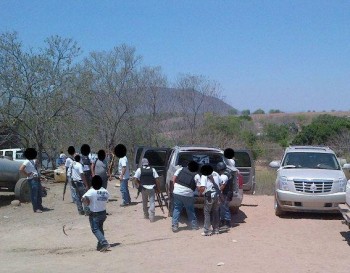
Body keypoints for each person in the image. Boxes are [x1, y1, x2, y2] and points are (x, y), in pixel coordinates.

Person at [82, 175, 110, 252]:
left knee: (95, 229)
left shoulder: (91, 191)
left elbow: (83, 198)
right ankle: (100, 245)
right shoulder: (105, 191)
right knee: (100, 228)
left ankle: (104, 243)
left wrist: (87, 204)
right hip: (103, 212)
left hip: (95, 213)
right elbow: (107, 199)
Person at [171, 160, 201, 232]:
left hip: (176, 192)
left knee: (177, 208)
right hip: (187, 194)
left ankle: (175, 226)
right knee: (190, 209)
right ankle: (194, 226)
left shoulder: (180, 169)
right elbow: (199, 187)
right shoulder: (196, 175)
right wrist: (200, 194)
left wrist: (176, 187)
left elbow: (173, 179)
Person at [133, 158, 160, 222]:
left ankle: (146, 215)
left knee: (144, 202)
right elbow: (157, 179)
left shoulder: (139, 170)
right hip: (152, 188)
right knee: (152, 203)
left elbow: (134, 179)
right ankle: (152, 217)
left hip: (143, 188)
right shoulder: (152, 169)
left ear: (142, 163)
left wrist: (139, 185)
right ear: (148, 163)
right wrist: (158, 189)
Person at [19, 148, 45, 213]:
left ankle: (40, 206)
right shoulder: (27, 161)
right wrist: (27, 174)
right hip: (32, 179)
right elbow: (21, 169)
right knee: (34, 194)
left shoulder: (33, 161)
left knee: (39, 194)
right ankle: (35, 208)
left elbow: (36, 168)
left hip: (37, 179)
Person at [199, 164, 222, 236]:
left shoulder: (204, 175)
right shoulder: (216, 173)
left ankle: (207, 231)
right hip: (217, 196)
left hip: (209, 196)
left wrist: (200, 193)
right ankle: (216, 229)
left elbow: (203, 187)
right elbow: (221, 183)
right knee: (216, 212)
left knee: (207, 212)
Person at [216, 161, 234, 230]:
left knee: (225, 208)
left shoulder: (224, 176)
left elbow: (222, 186)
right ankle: (222, 222)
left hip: (226, 194)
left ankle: (227, 223)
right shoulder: (228, 173)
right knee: (222, 208)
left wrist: (217, 192)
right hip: (227, 193)